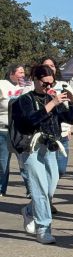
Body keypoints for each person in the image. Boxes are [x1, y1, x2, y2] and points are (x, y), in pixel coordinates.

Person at [11, 64, 73, 244]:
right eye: (45, 83)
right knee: (39, 189)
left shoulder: (51, 98)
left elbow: (70, 119)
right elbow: (29, 121)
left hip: (50, 148)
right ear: (35, 80)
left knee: (49, 190)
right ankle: (43, 228)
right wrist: (52, 104)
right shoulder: (24, 100)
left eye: (51, 83)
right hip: (31, 148)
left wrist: (72, 103)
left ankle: (29, 210)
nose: (48, 87)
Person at [0, 64, 31, 196]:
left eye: (23, 72)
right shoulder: (2, 85)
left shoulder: (27, 87)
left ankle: (31, 189)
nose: (23, 75)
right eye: (20, 72)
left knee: (25, 162)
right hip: (4, 130)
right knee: (3, 163)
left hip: (20, 131)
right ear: (11, 73)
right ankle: (1, 188)